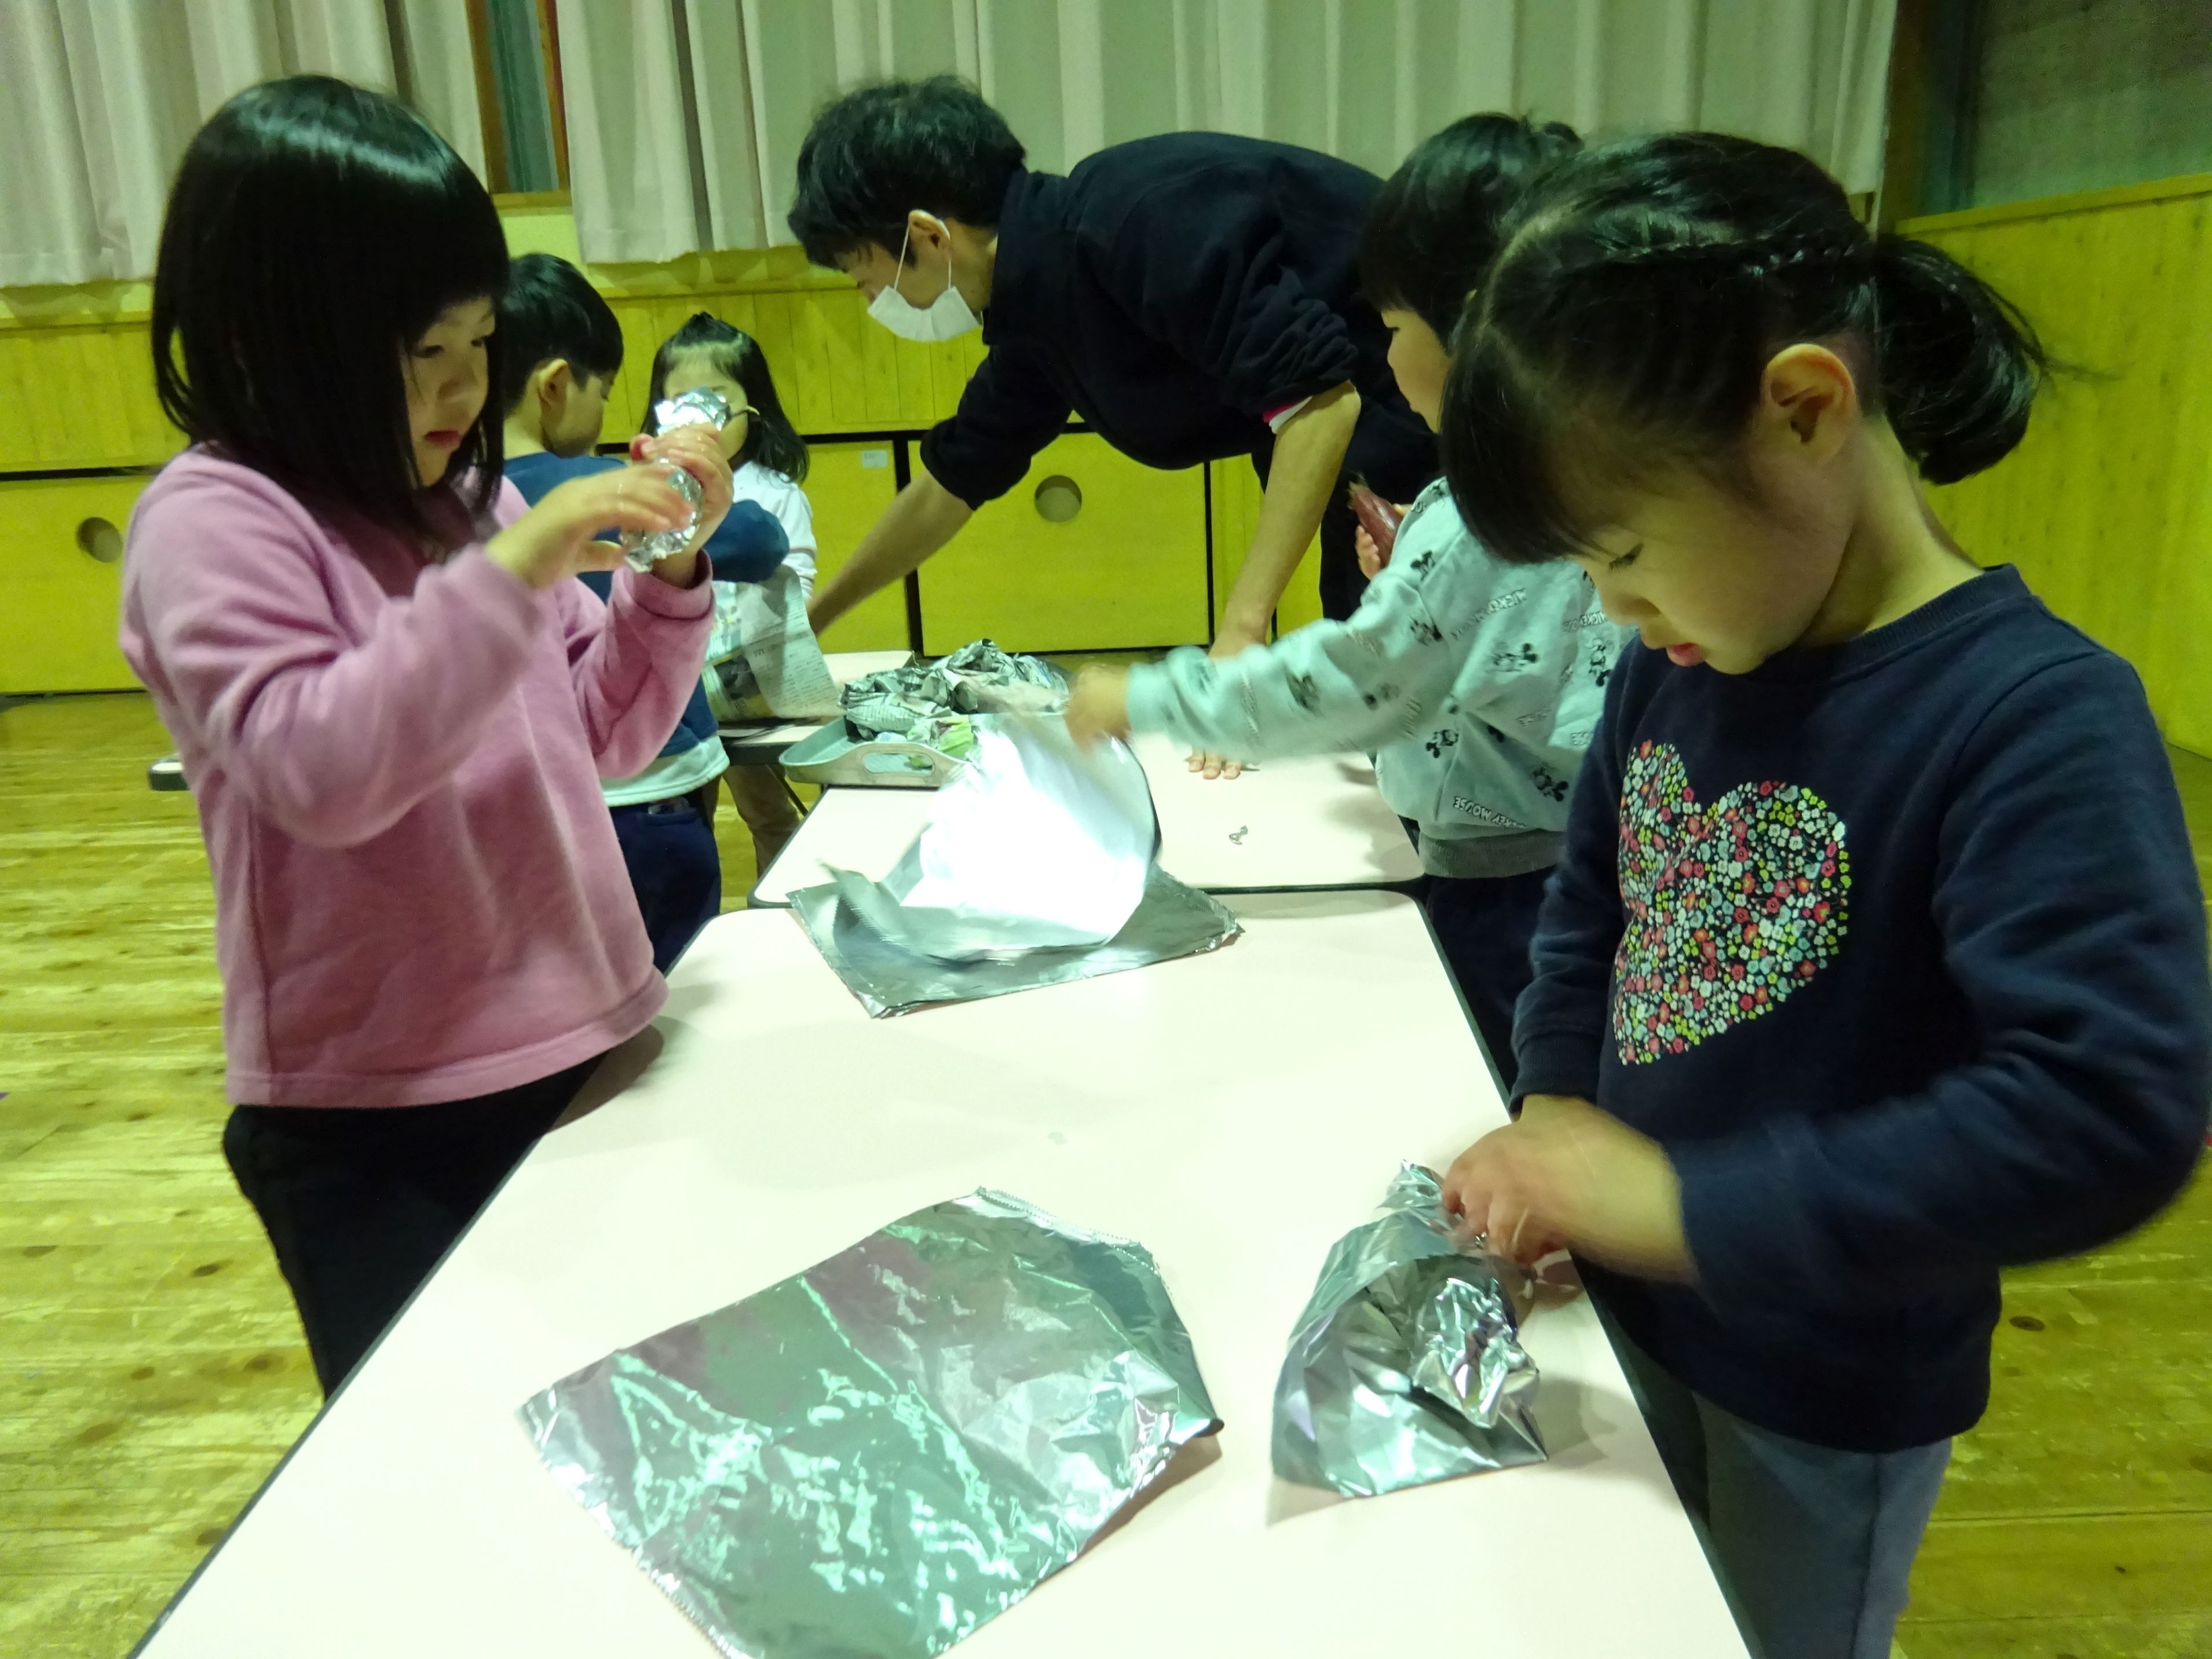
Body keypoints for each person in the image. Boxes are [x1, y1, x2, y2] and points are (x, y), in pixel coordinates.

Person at [1429, 131, 2211, 1659]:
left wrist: (1680, 1206)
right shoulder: (1681, 659)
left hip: (1827, 1393)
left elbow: (2107, 1106)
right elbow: (1590, 906)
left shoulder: (2032, 717)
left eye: (1625, 550)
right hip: (1635, 1314)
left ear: (1802, 411)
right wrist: (1555, 1108)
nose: (1615, 610)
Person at [119, 78, 732, 1394]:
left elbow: (602, 736)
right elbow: (321, 771)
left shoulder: (473, 505)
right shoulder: (214, 521)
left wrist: (666, 577)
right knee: (445, 1446)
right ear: (273, 336)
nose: (464, 385)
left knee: (641, 1409)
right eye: (419, 351)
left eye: (480, 339)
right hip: (377, 1118)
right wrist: (516, 565)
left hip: (587, 1041)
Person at [1065, 114, 1622, 1090]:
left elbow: (1354, 686)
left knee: (1518, 1097)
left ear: (1477, 329)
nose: (1383, 356)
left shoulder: (1476, 520)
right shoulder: (1585, 484)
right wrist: (1414, 575)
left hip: (1508, 894)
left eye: (1392, 329)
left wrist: (1145, 698)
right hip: (1583, 863)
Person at [788, 75, 1436, 664]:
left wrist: (1239, 633)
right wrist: (809, 624)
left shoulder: (1132, 223)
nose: (873, 303)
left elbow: (1321, 404)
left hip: (1436, 414)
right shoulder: (1039, 310)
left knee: (1410, 683)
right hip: (1373, 448)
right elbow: (949, 483)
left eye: (866, 280)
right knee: (1379, 682)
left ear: (930, 237)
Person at [498, 261, 780, 964]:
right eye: (604, 393)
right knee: (669, 980)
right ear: (555, 386)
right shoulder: (598, 483)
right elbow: (759, 538)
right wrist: (688, 493)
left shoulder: (462, 506)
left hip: (535, 813)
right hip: (654, 795)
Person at [639, 312, 820, 872]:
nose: (702, 420)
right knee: (687, 810)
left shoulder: (774, 491)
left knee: (767, 811)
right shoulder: (655, 489)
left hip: (748, 684)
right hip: (677, 688)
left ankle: (779, 902)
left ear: (752, 408)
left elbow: (798, 581)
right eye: (682, 405)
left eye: (715, 402)